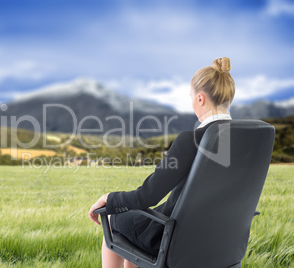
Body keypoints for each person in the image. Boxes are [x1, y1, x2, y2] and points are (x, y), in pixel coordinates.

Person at [88, 57, 236, 268]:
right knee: (132, 231)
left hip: (174, 238)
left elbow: (146, 196)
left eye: (191, 96)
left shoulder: (191, 140)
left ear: (201, 99)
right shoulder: (250, 140)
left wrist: (108, 199)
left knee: (113, 221)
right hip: (223, 239)